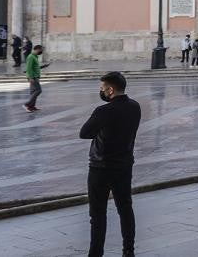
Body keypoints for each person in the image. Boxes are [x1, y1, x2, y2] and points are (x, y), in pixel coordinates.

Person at [80, 71, 141, 257]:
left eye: (102, 89)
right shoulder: (135, 106)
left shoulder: (103, 111)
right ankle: (128, 251)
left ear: (111, 90)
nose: (101, 92)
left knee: (97, 214)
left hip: (101, 167)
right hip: (124, 165)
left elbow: (84, 132)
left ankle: (96, 253)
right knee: (125, 207)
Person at [24, 44, 48, 111]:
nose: (41, 51)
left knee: (33, 92)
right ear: (37, 49)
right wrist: (30, 77)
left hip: (35, 76)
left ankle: (31, 107)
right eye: (41, 50)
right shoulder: (31, 57)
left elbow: (35, 67)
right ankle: (27, 104)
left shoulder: (35, 57)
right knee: (38, 90)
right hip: (33, 77)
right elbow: (29, 68)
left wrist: (43, 66)